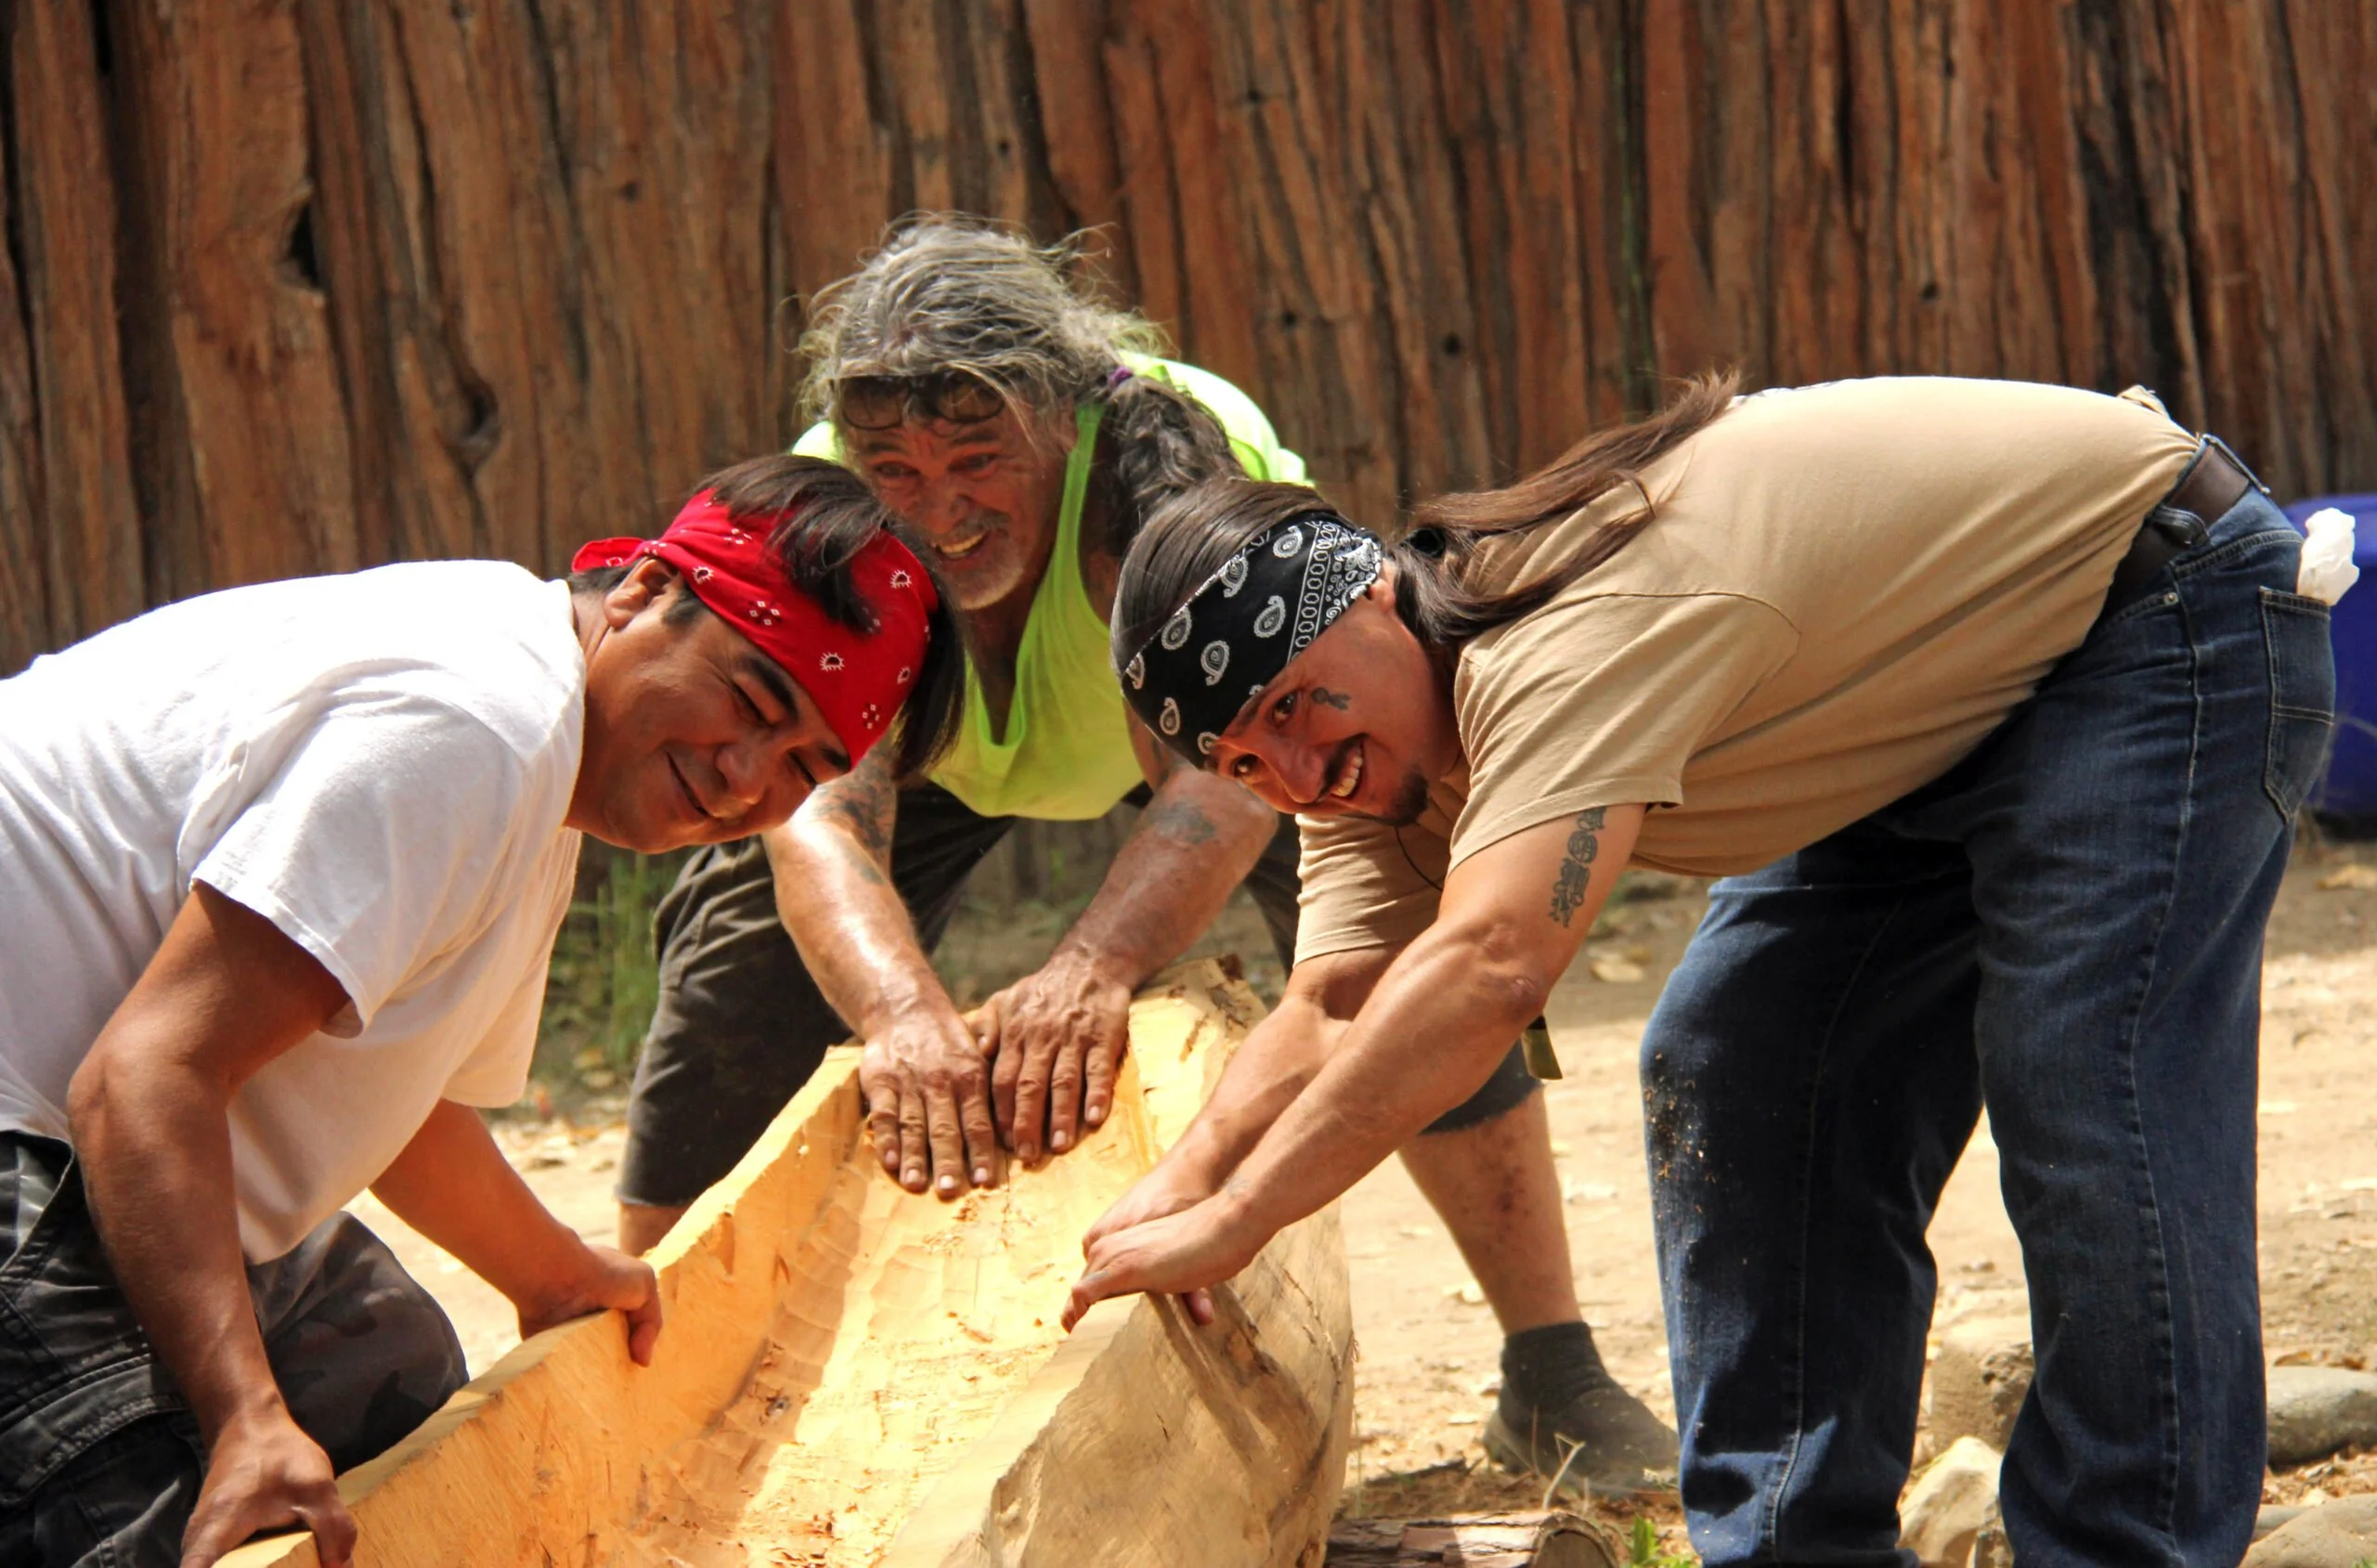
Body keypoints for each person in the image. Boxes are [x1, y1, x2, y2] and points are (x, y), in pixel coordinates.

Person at [1071, 374, 2332, 1567]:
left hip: (2155, 604)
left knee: (2084, 1079)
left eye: (1294, 707)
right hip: (1925, 701)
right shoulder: (1368, 746)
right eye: (1243, 762)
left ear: (1368, 599)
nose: (1293, 773)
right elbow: (1335, 997)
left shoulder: (1556, 639)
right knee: (1736, 1060)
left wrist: (1237, 1222)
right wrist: (1169, 1193)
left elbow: (1492, 964)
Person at [612, 218, 1675, 1490]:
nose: (940, 513)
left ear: (1059, 419)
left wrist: (1094, 963)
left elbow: (1226, 778)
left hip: (1231, 734)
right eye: (894, 466)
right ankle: (644, 1381)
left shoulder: (1158, 469)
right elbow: (815, 809)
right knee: (739, 957)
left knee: (1404, 932)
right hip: (934, 752)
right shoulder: (833, 506)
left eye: (976, 459)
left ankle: (1553, 1370)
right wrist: (900, 1009)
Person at [0, 457, 958, 1568]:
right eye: (750, 703)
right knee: (137, 1501)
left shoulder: (542, 755)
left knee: (390, 1382)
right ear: (646, 594)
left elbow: (387, 1090)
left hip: (86, 1111)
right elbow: (143, 1077)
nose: (748, 780)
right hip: (42, 1120)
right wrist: (243, 1417)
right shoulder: (478, 726)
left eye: (806, 765)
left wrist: (550, 1272)